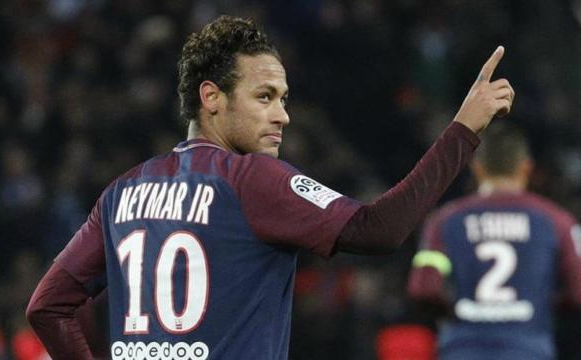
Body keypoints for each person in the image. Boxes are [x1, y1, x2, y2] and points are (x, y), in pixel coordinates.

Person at [26, 15, 515, 360]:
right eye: (264, 97)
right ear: (211, 98)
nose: (282, 114)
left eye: (283, 98)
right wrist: (464, 129)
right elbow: (378, 230)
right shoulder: (250, 181)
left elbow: (48, 306)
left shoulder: (121, 193)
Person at [407, 124, 581, 359]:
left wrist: (455, 313)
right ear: (526, 167)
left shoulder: (444, 220)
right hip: (527, 348)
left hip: (463, 348)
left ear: (477, 168)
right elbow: (577, 292)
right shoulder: (558, 221)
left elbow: (423, 289)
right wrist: (540, 305)